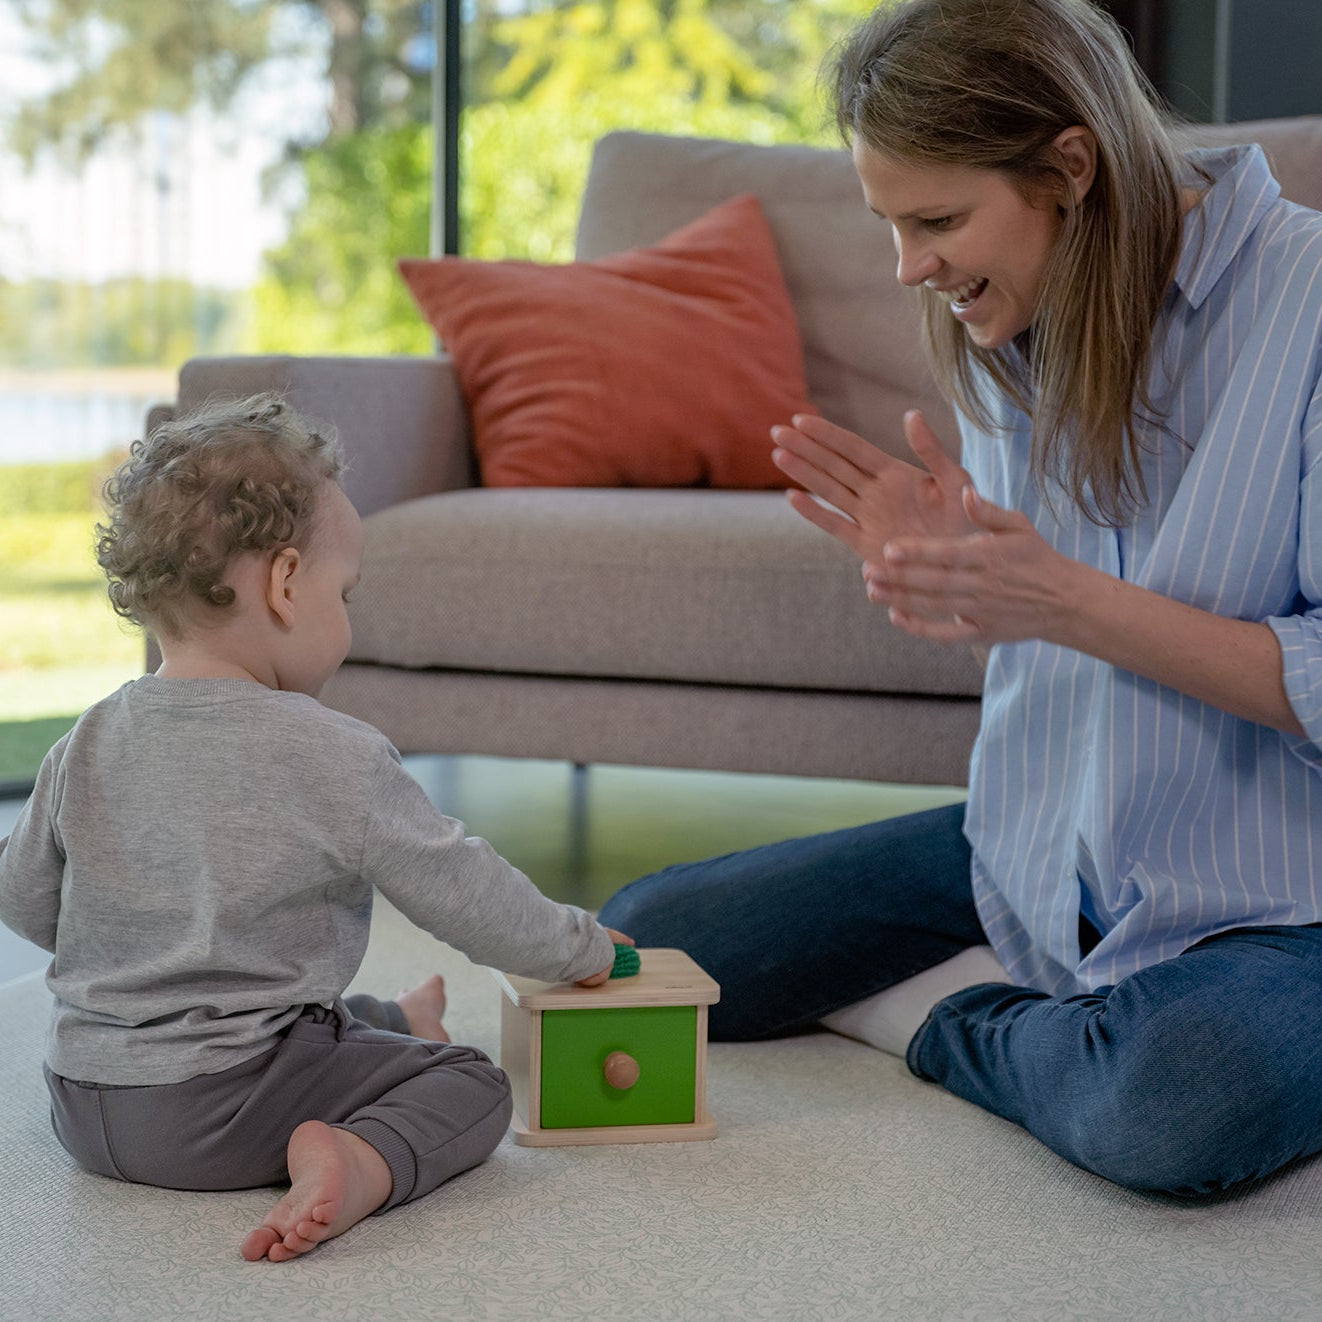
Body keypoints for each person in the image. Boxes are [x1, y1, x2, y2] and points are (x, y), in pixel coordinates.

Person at [600, 0, 1322, 1198]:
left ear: (1069, 167)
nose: (907, 268)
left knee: (1171, 1107)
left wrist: (1056, 597)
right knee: (644, 943)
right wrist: (954, 577)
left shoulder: (1305, 299)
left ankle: (942, 1015)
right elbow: (1042, 647)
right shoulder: (1004, 316)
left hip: (1276, 895)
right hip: (1033, 849)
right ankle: (1046, 988)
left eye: (934, 220)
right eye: (887, 223)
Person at [0, 395, 627, 1262]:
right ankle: (356, 1159)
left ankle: (397, 1019)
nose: (348, 617)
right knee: (472, 1086)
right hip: (218, 1113)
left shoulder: (89, 739)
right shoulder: (334, 755)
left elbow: (25, 897)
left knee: (301, 1007)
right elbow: (464, 892)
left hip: (82, 1099)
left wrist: (130, 947)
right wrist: (579, 948)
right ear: (286, 585)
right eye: (345, 592)